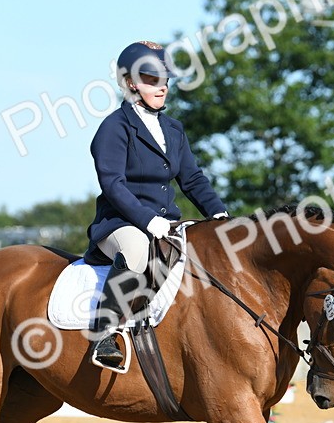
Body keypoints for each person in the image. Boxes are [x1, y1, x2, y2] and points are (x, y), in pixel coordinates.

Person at [85, 40, 228, 367]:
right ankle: (105, 333)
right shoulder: (114, 128)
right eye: (151, 80)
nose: (161, 87)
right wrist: (148, 221)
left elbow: (192, 179)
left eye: (165, 80)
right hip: (120, 223)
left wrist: (219, 214)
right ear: (131, 83)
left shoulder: (174, 129)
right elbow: (112, 183)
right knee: (136, 251)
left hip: (167, 224)